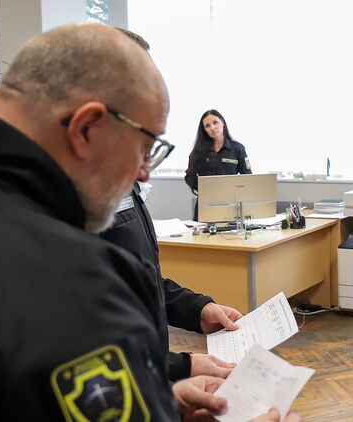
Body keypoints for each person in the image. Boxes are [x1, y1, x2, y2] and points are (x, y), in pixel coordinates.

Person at [0, 23, 226, 419]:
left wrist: (161, 401)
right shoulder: (61, 275)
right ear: (85, 128)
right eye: (145, 147)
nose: (144, 172)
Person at [104, 28, 243, 383]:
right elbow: (87, 344)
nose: (145, 173)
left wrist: (198, 310)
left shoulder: (118, 182)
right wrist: (181, 368)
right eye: (142, 141)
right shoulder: (58, 206)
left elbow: (139, 281)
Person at [184, 109, 251, 220]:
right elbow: (189, 176)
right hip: (205, 204)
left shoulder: (237, 148)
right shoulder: (198, 151)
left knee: (229, 230)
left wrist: (235, 191)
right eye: (207, 126)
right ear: (204, 130)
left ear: (223, 122)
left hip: (230, 204)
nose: (212, 128)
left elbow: (247, 177)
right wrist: (204, 189)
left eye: (215, 122)